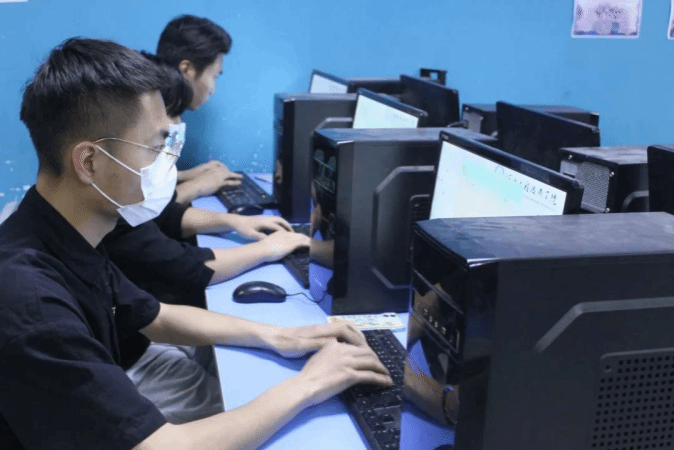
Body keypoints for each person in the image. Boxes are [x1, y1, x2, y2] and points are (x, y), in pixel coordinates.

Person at [0, 37, 392, 449]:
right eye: (155, 147)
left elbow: (155, 315)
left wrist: (279, 336)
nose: (167, 164)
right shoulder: (33, 306)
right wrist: (309, 385)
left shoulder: (64, 232)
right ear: (89, 162)